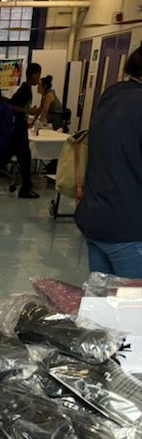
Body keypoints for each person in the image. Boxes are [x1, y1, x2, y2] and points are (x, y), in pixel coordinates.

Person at [75, 46, 142, 278]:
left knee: (101, 302)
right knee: (131, 308)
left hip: (96, 216)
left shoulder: (112, 95)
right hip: (128, 225)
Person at [7, 62, 42, 199]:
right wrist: (29, 110)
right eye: (38, 75)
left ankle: (26, 187)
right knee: (23, 158)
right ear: (32, 74)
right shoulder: (24, 90)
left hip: (19, 128)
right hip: (17, 130)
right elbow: (12, 106)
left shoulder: (28, 89)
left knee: (20, 158)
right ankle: (26, 188)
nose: (38, 78)